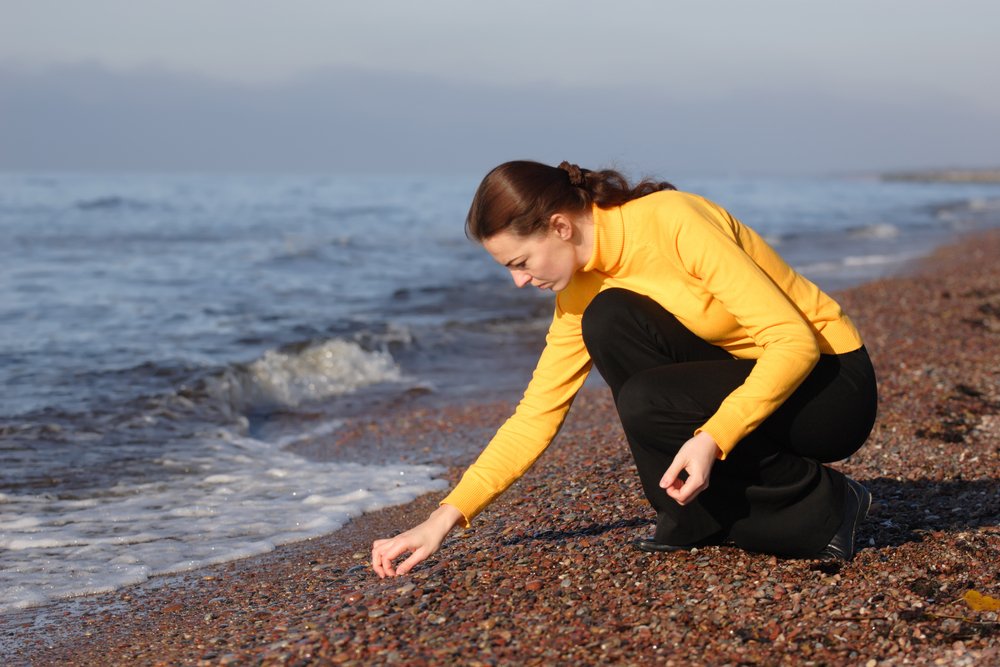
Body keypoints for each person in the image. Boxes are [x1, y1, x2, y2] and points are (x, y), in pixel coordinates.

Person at [371, 160, 878, 577]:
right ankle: (697, 516)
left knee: (648, 398)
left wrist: (712, 438)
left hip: (830, 387)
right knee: (610, 319)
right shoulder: (581, 288)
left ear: (560, 227)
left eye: (520, 263)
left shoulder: (671, 221)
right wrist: (442, 520)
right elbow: (536, 414)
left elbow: (792, 342)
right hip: (752, 376)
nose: (518, 283)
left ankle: (826, 505)